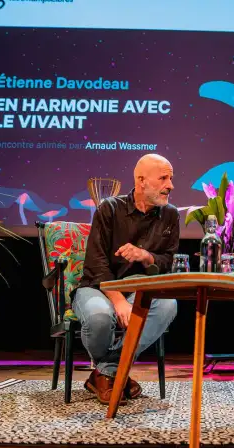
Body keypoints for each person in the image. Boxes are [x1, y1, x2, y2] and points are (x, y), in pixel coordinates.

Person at [73, 153, 179, 405]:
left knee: (169, 304)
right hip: (97, 288)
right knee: (100, 317)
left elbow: (167, 262)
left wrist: (146, 256)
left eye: (171, 178)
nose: (171, 186)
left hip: (141, 291)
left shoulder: (170, 215)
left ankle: (105, 373)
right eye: (163, 178)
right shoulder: (109, 208)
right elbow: (96, 264)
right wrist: (118, 300)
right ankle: (116, 374)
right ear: (141, 181)